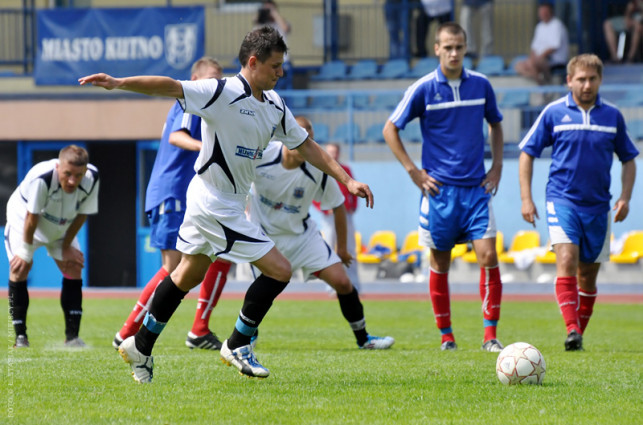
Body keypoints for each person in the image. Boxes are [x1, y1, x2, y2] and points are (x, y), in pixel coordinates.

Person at [79, 26, 373, 383]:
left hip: (223, 200)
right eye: (275, 66)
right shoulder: (221, 92)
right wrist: (118, 83)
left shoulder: (276, 106)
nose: (281, 72)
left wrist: (347, 180)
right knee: (279, 269)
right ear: (253, 62)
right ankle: (238, 344)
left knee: (188, 274)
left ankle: (140, 345)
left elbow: (307, 146)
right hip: (214, 202)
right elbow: (170, 86)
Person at [383, 22, 505, 352]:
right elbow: (390, 129)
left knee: (489, 255)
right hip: (439, 192)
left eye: (459, 47)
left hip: (476, 190)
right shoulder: (423, 88)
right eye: (448, 47)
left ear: (466, 48)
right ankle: (447, 336)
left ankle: (490, 336)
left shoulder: (481, 85)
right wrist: (414, 172)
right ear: (436, 48)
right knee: (440, 263)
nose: (454, 53)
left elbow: (496, 124)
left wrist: (496, 166)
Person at [518, 54, 638, 351]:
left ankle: (576, 335)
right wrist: (526, 198)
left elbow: (629, 159)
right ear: (568, 81)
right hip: (562, 199)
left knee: (588, 276)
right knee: (567, 261)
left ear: (600, 80)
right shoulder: (554, 112)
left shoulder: (612, 116)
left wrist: (625, 197)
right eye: (581, 79)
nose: (586, 85)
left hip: (598, 206)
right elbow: (527, 153)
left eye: (592, 79)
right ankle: (571, 327)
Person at [111, 57, 232, 352]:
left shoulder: (207, 105)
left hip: (189, 195)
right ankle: (128, 331)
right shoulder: (189, 100)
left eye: (219, 79)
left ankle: (199, 329)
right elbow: (178, 137)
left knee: (219, 254)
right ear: (194, 78)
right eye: (210, 78)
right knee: (174, 266)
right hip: (173, 192)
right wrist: (209, 149)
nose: (214, 84)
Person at [248, 116, 393, 349]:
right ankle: (246, 340)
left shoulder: (318, 169)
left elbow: (338, 206)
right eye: (301, 138)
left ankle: (364, 339)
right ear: (286, 138)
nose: (307, 145)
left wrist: (342, 249)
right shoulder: (261, 156)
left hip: (302, 238)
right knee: (263, 294)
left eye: (310, 140)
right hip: (264, 238)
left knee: (343, 283)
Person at [6, 145, 99, 348]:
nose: (73, 180)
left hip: (60, 223)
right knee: (21, 268)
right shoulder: (43, 178)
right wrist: (26, 251)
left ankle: (72, 337)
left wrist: (66, 246)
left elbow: (83, 213)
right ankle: (20, 337)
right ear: (58, 167)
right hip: (24, 221)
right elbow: (32, 217)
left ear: (85, 171)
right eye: (67, 174)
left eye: (78, 175)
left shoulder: (92, 178)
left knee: (73, 266)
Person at [313, 143, 361, 292]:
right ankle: (331, 286)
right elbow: (313, 193)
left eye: (335, 152)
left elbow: (354, 188)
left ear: (339, 153)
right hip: (329, 216)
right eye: (330, 152)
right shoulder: (320, 170)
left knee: (350, 249)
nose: (332, 155)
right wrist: (323, 208)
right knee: (328, 247)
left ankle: (354, 285)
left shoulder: (346, 170)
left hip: (346, 214)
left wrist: (353, 207)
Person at [514, 2, 569, 85]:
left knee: (534, 62)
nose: (542, 14)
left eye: (544, 12)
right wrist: (532, 59)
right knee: (518, 66)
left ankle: (545, 83)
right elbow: (534, 48)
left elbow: (554, 47)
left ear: (550, 12)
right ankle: (541, 82)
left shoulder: (557, 25)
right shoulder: (539, 27)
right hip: (538, 60)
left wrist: (537, 58)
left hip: (555, 61)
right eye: (541, 12)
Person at [254, 0, 292, 90]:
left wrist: (274, 13)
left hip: (282, 62)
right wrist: (260, 15)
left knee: (283, 89)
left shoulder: (281, 23)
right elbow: (255, 33)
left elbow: (285, 28)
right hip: (266, 62)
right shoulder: (262, 26)